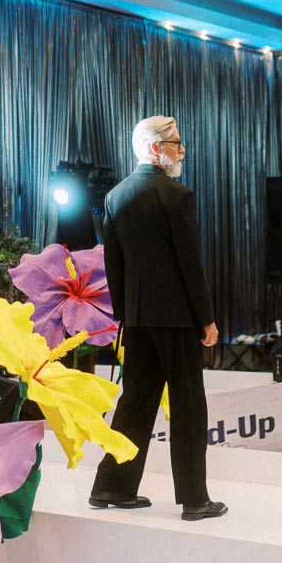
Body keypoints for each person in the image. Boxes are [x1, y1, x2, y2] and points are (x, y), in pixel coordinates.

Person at [89, 115, 227, 521]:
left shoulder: (115, 198)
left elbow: (113, 267)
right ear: (155, 148)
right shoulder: (176, 195)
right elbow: (190, 265)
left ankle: (110, 487)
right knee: (188, 404)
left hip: (137, 319)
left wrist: (124, 316)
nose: (181, 150)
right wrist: (207, 318)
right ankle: (195, 499)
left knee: (134, 402)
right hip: (178, 319)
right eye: (176, 143)